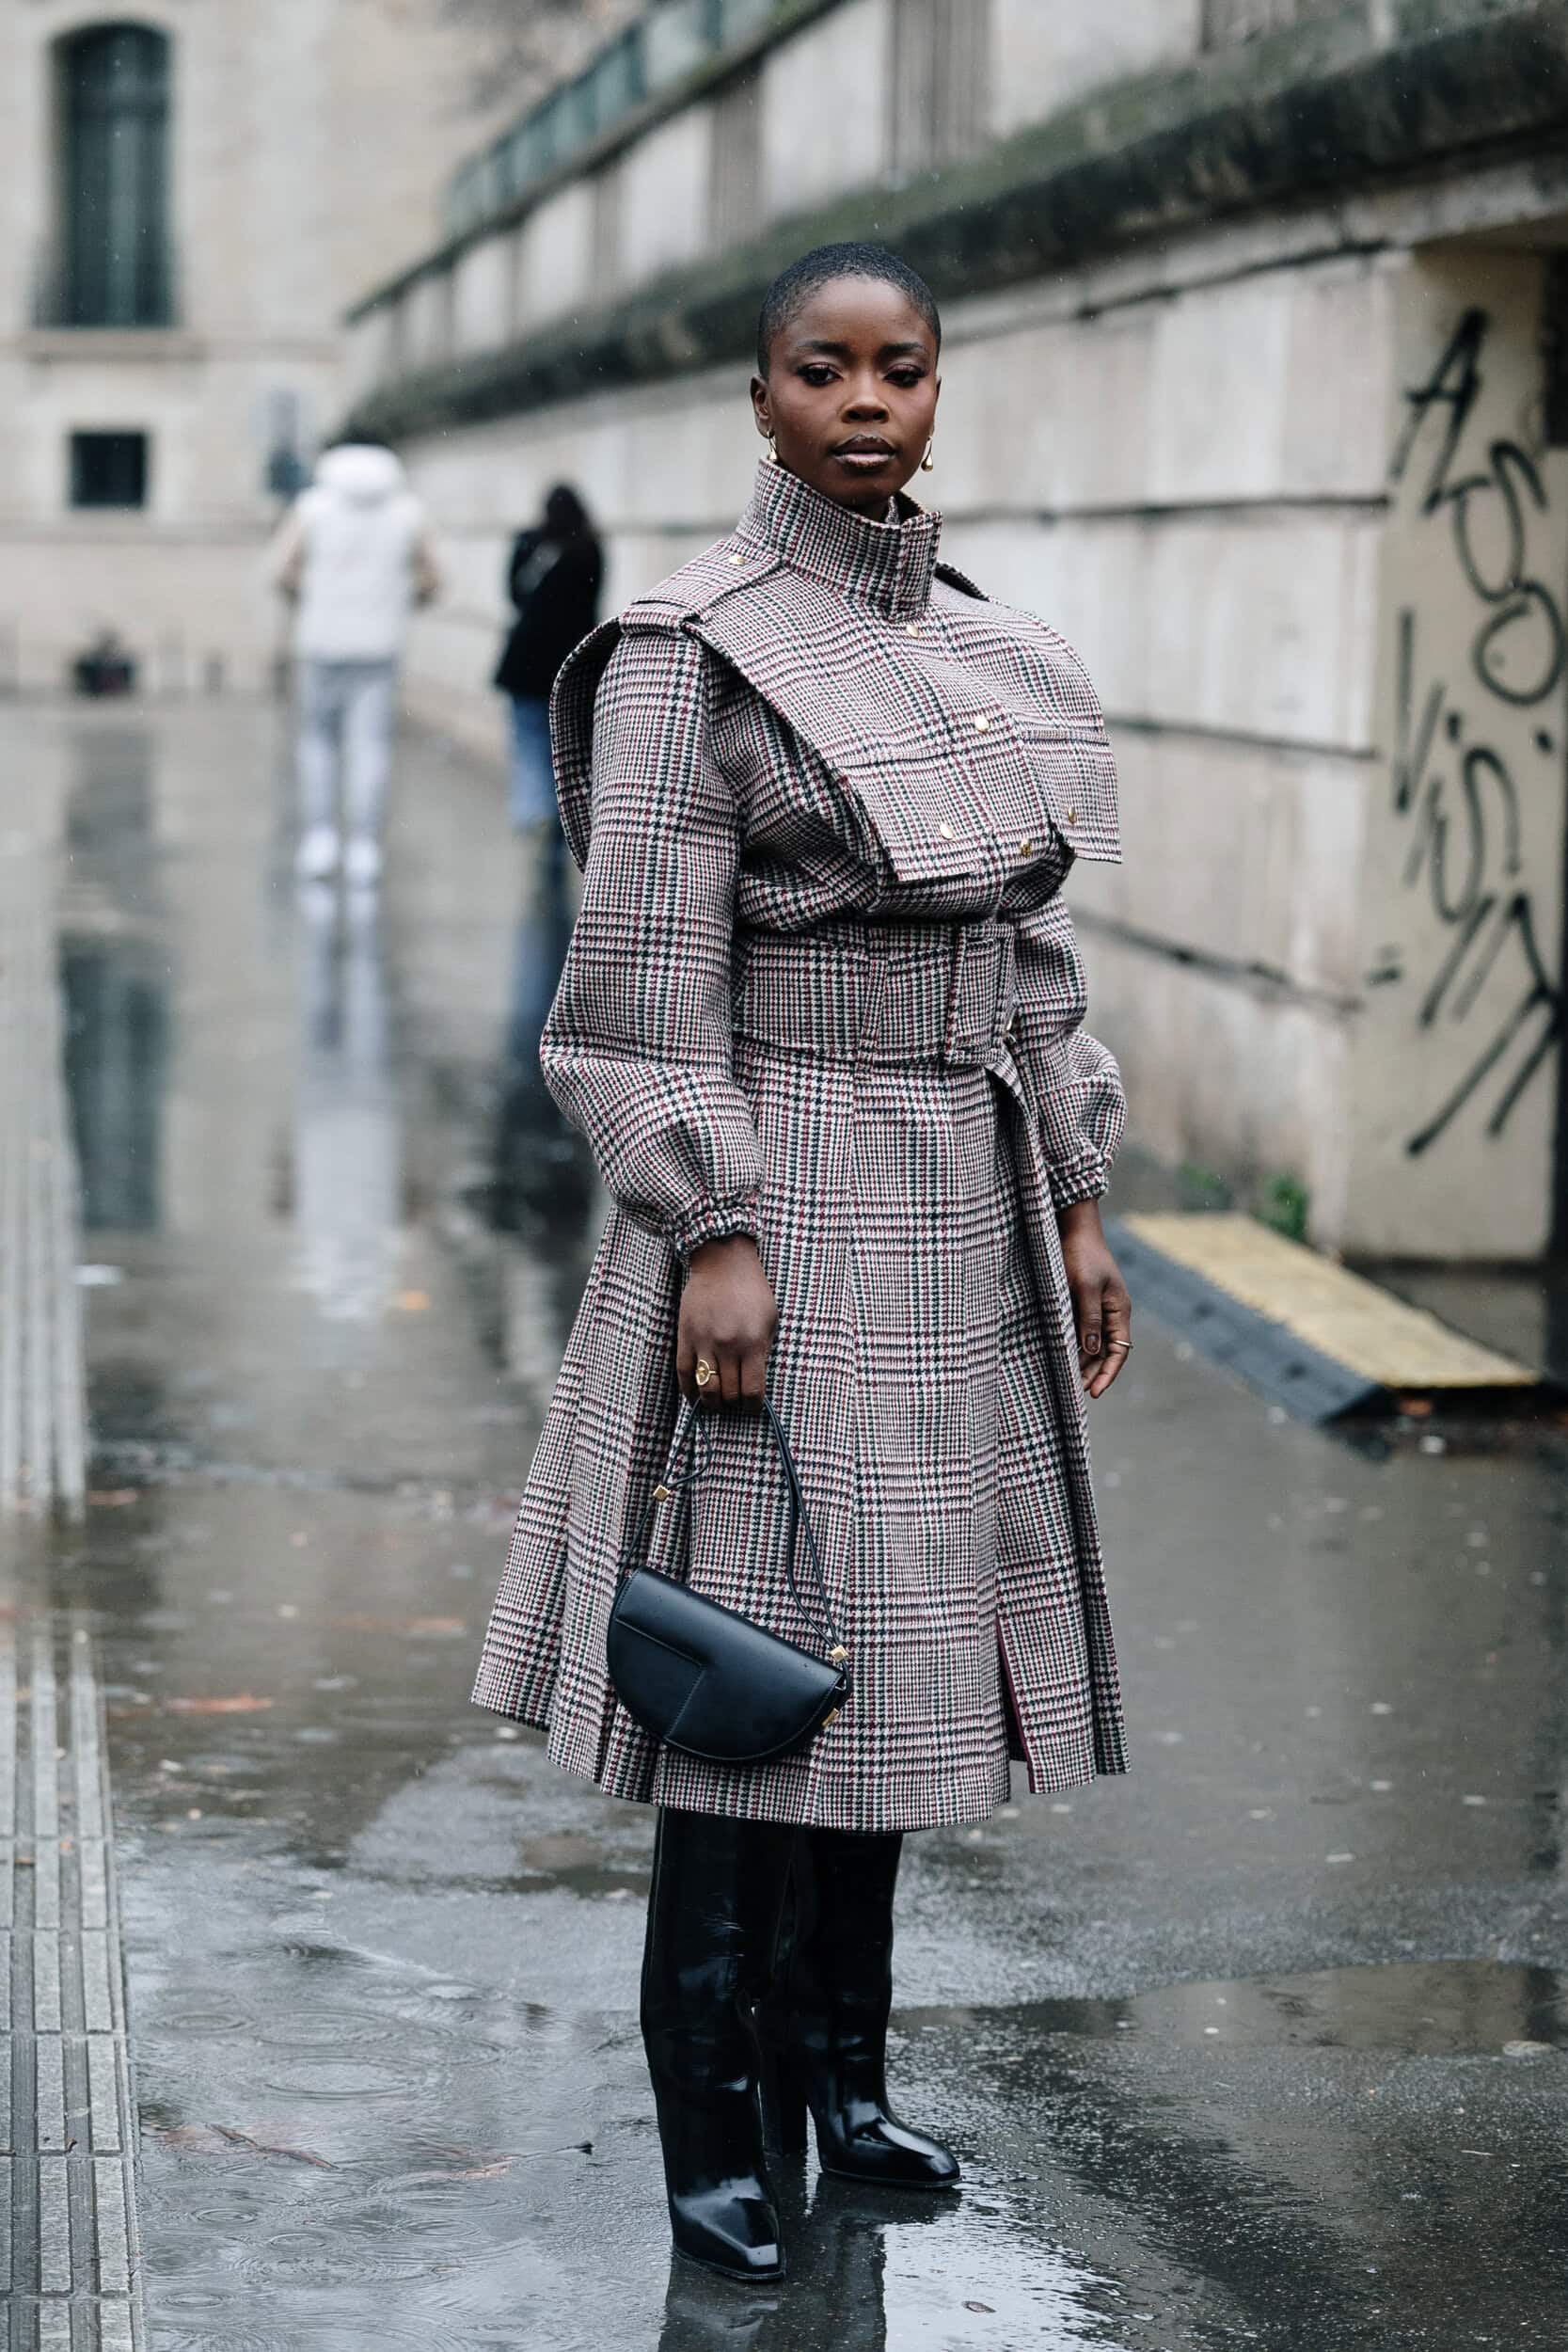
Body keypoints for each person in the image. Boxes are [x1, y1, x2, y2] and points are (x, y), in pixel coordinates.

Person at [472, 243, 1132, 2281]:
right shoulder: (689, 648)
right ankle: (713, 2129)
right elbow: (639, 977)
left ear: (935, 393)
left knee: (907, 1663)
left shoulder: (990, 649)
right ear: (760, 400)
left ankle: (840, 2080)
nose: (864, 400)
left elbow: (1019, 955)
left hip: (966, 1198)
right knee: (750, 1671)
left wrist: (1080, 1191)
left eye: (899, 368)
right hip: (779, 1189)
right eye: (820, 369)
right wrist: (712, 1226)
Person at [269, 437, 440, 886]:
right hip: (380, 645)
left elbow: (281, 572)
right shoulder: (408, 514)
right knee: (371, 747)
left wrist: (313, 596)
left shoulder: (312, 509)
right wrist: (399, 599)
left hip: (321, 643)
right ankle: (364, 846)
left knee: (318, 744)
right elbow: (431, 579)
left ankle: (321, 839)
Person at [493, 484, 602, 882]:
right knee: (566, 750)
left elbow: (513, 594)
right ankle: (558, 822)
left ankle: (534, 813)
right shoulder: (589, 548)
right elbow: (593, 604)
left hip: (525, 663)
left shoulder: (528, 542)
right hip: (568, 665)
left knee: (528, 743)